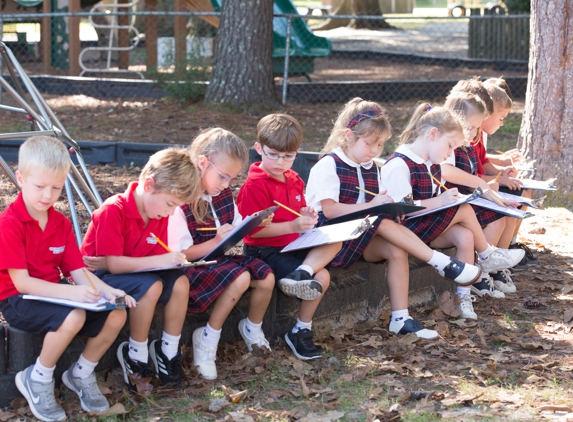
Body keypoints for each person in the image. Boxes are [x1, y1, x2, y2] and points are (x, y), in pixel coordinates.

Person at [305, 98, 482, 340]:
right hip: (329, 240)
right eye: (370, 143)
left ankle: (400, 318)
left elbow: (372, 209)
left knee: (396, 249)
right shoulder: (328, 165)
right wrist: (373, 206)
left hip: (358, 236)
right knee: (383, 221)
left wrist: (390, 206)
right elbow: (331, 212)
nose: (376, 151)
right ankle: (441, 262)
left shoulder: (368, 167)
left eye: (380, 144)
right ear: (348, 136)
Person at [0, 136, 136, 422]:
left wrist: (110, 291)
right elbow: (22, 283)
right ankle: (37, 379)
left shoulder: (60, 223)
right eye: (40, 186)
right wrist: (72, 294)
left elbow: (78, 272)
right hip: (17, 299)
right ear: (21, 178)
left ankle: (81, 373)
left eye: (57, 187)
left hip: (55, 294)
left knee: (116, 314)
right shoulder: (9, 224)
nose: (48, 195)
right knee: (73, 316)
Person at [379, 104, 525, 320]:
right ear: (433, 133)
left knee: (465, 235)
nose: (449, 153)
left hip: (426, 227)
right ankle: (486, 255)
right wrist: (440, 201)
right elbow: (402, 211)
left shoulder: (432, 163)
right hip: (407, 231)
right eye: (449, 146)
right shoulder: (400, 164)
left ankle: (463, 298)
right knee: (464, 208)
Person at [81, 147, 200, 390]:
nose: (170, 212)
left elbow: (148, 256)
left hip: (133, 272)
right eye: (169, 204)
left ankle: (168, 351)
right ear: (149, 185)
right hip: (99, 279)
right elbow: (113, 265)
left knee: (180, 282)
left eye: (175, 207)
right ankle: (135, 354)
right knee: (152, 285)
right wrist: (161, 260)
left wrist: (168, 261)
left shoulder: (158, 213)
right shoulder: (113, 210)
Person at [168, 128, 274, 380]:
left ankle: (252, 328)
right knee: (241, 278)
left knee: (266, 276)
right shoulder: (180, 201)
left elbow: (234, 226)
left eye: (232, 179)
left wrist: (254, 223)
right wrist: (216, 239)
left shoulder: (222, 193)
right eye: (223, 176)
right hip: (193, 266)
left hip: (220, 260)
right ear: (203, 163)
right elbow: (181, 253)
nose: (227, 185)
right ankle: (207, 337)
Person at [237, 114, 342, 360]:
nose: (280, 162)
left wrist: (305, 213)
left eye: (288, 156)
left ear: (297, 153)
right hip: (264, 251)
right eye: (273, 154)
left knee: (335, 241)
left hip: (292, 245)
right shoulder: (254, 186)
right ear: (258, 148)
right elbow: (252, 233)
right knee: (323, 274)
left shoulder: (293, 179)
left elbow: (298, 209)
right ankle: (301, 328)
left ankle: (300, 320)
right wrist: (293, 226)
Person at [442, 91, 520, 294]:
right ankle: (482, 269)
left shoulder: (467, 145)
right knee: (495, 219)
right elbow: (449, 172)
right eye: (470, 127)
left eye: (477, 128)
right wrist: (483, 184)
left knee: (503, 214)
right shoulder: (448, 146)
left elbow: (475, 176)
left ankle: (492, 267)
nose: (474, 133)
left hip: (466, 199)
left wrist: (498, 197)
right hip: (451, 204)